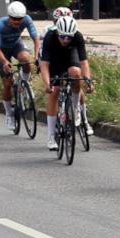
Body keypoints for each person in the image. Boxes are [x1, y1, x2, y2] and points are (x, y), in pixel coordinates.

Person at [40, 16, 93, 151]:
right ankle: (51, 136)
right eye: (63, 36)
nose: (65, 40)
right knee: (55, 91)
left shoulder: (78, 37)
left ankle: (76, 109)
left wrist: (88, 81)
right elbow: (45, 64)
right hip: (54, 60)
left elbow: (83, 62)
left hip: (70, 57)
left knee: (76, 74)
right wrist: (47, 84)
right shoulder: (50, 37)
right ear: (58, 32)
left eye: (69, 37)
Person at [0, 1, 40, 131]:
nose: (17, 21)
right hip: (2, 50)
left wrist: (36, 57)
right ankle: (8, 114)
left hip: (16, 45)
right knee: (7, 83)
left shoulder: (27, 20)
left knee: (26, 59)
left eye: (19, 19)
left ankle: (25, 84)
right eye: (14, 18)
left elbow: (36, 39)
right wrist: (4, 62)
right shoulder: (0, 24)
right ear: (9, 16)